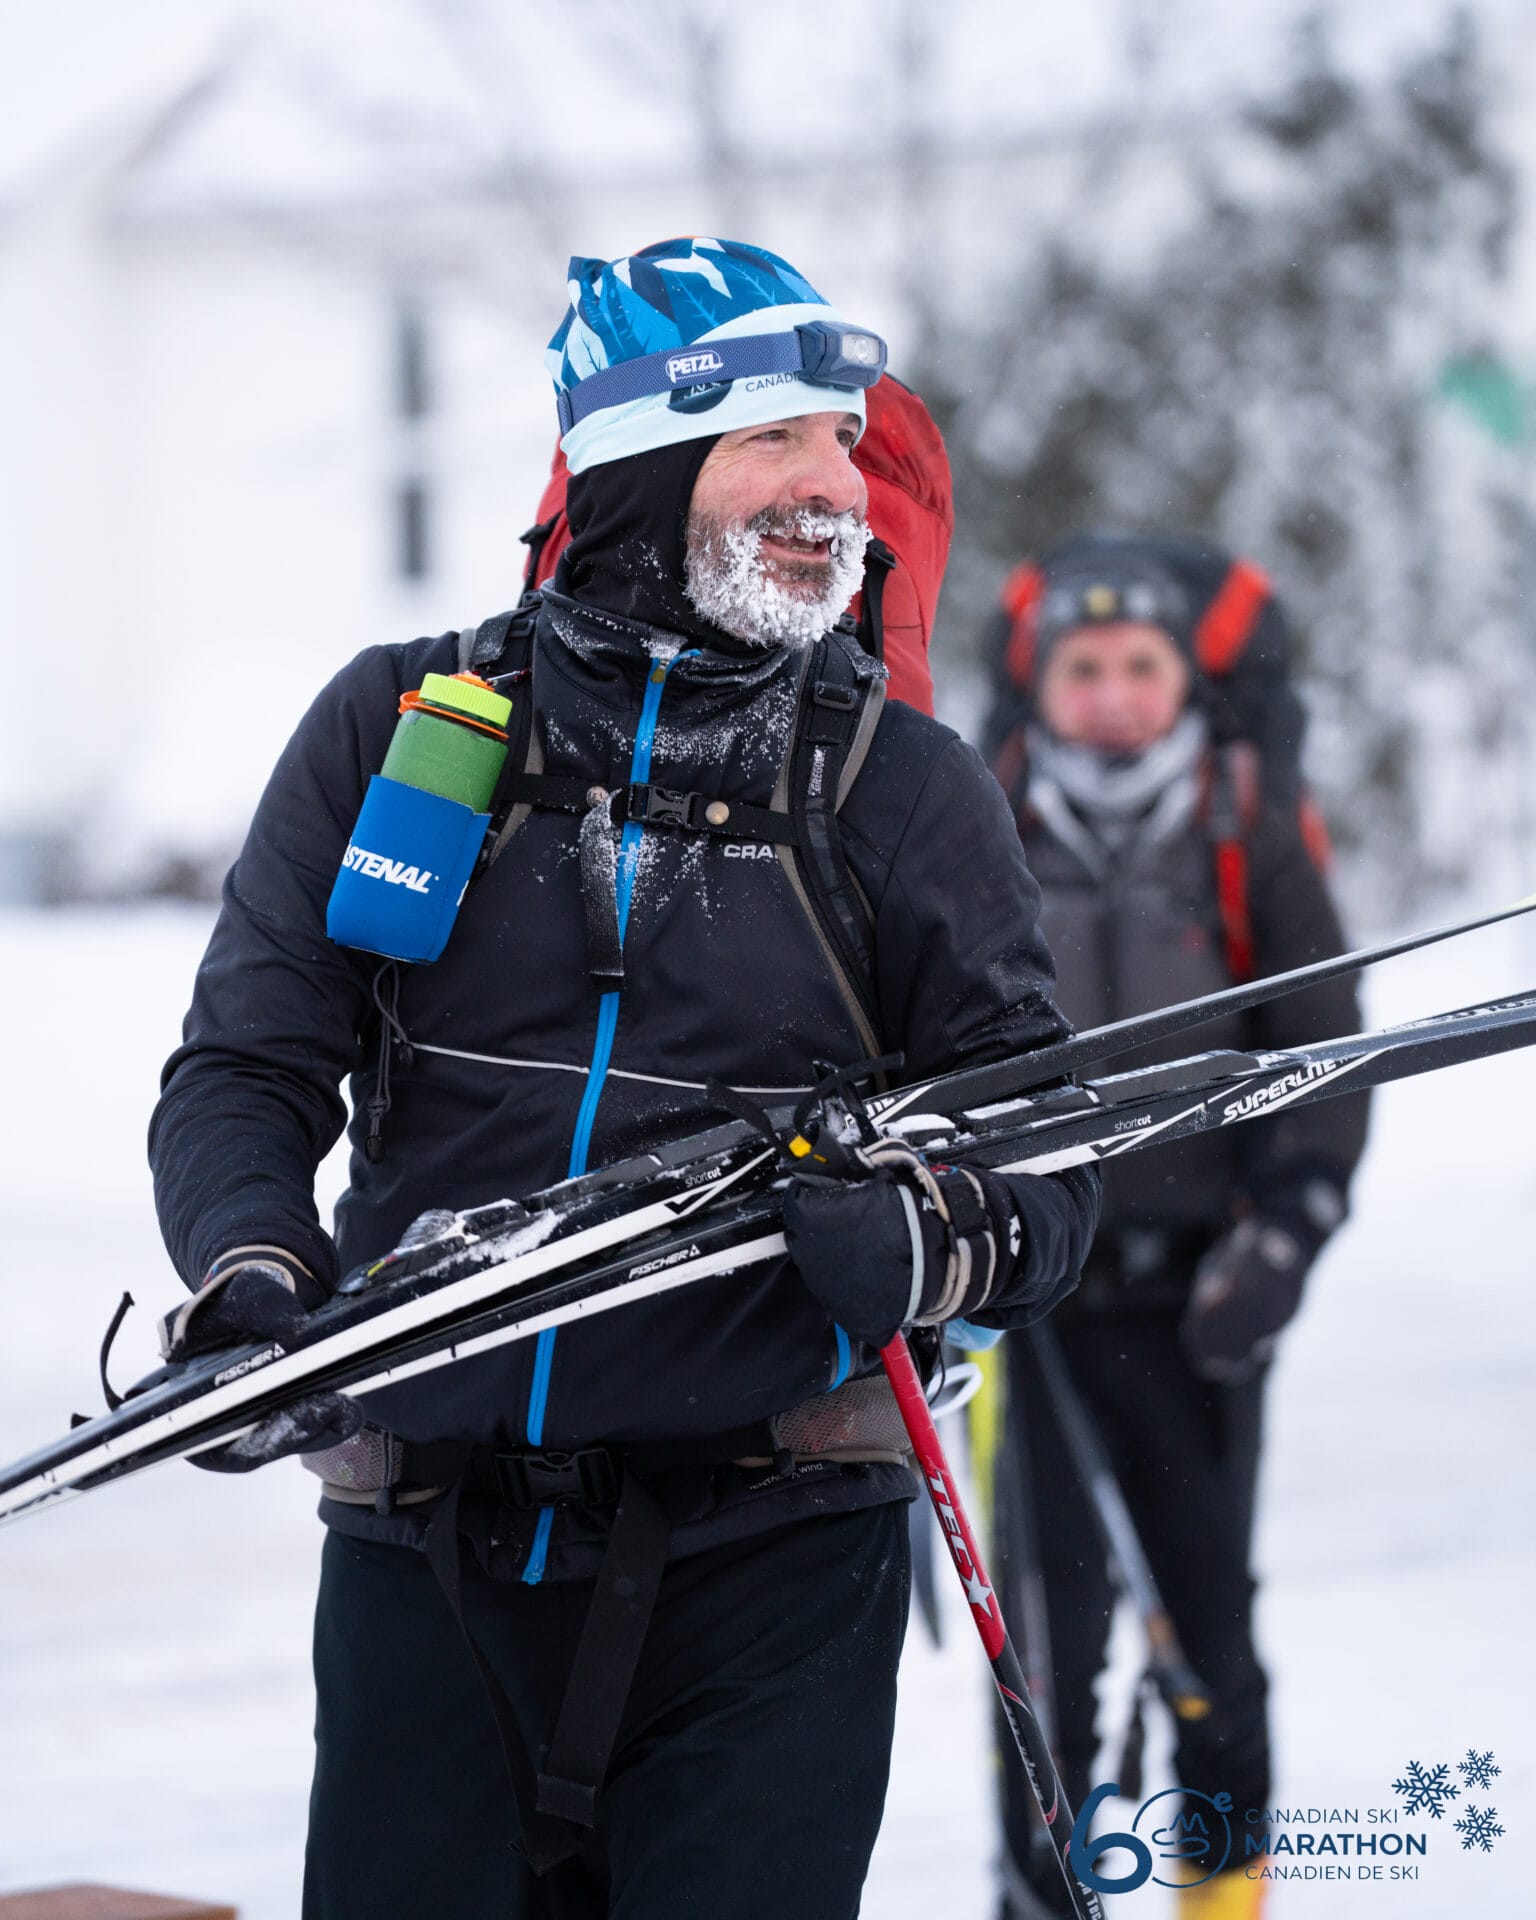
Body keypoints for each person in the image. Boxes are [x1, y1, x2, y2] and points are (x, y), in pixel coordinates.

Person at [149, 237, 1100, 1920]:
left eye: (842, 440)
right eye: (774, 439)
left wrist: (935, 1237)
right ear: (644, 472)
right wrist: (253, 1276)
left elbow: (1047, 1161)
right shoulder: (399, 730)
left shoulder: (900, 788)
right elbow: (248, 1061)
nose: (836, 485)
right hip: (426, 1550)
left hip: (775, 1557)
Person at [983, 540, 1369, 1920]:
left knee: (1208, 1630)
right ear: (1039, 682)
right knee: (1044, 1646)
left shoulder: (1245, 818)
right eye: (1083, 668)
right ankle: (1042, 1894)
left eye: (1141, 665)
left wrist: (1288, 1232)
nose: (1112, 694)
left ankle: (1220, 1893)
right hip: (1027, 1296)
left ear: (1185, 679)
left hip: (1199, 1301)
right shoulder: (985, 818)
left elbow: (1323, 1045)